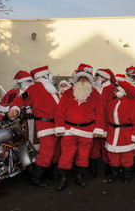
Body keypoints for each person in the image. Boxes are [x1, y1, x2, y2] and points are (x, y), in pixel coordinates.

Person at [9, 65, 60, 187]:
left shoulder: (52, 90)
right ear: (45, 76)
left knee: (57, 152)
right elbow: (20, 100)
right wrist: (15, 108)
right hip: (45, 125)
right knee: (46, 152)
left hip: (57, 126)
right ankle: (36, 178)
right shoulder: (34, 89)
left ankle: (49, 173)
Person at [55, 63, 100, 191]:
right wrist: (60, 128)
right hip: (69, 130)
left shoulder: (95, 94)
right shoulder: (68, 94)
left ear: (89, 81)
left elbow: (100, 113)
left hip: (87, 130)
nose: (83, 81)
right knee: (66, 155)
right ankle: (63, 179)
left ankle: (80, 177)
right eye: (81, 79)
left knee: (83, 156)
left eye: (85, 79)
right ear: (77, 80)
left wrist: (97, 129)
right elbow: (60, 112)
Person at [103, 81, 135, 183]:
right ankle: (114, 175)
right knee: (113, 156)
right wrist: (105, 131)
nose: (114, 92)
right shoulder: (111, 103)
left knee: (127, 157)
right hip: (113, 133)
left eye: (116, 90)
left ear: (122, 91)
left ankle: (127, 176)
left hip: (126, 134)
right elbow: (106, 118)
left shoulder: (132, 103)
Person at [0, 71, 37, 147]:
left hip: (34, 122)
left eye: (31, 81)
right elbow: (5, 110)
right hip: (20, 123)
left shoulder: (34, 93)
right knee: (20, 145)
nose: (30, 83)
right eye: (28, 81)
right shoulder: (14, 93)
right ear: (21, 82)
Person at [90, 68, 117, 178]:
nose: (96, 78)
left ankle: (108, 171)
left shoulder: (112, 89)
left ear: (105, 78)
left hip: (107, 124)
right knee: (94, 149)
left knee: (107, 149)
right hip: (94, 123)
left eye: (98, 76)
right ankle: (93, 171)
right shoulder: (93, 89)